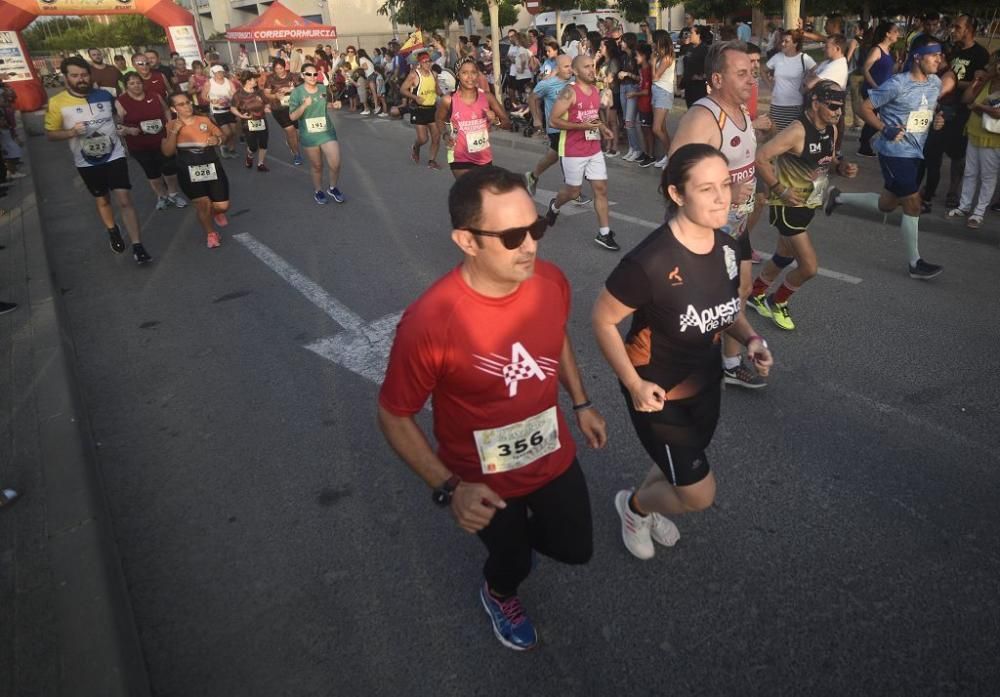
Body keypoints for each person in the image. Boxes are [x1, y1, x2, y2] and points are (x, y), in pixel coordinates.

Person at [378, 166, 607, 651]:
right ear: (466, 241)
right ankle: (499, 591)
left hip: (551, 452)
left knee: (576, 548)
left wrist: (581, 401)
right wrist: (448, 489)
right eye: (511, 235)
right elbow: (394, 414)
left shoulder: (551, 282)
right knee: (514, 562)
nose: (530, 245)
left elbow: (556, 337)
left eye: (536, 227)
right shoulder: (430, 322)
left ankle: (519, 545)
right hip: (483, 478)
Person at [592, 143, 773, 561]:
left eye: (725, 185)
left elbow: (725, 311)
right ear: (677, 194)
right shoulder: (649, 262)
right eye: (706, 188)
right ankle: (635, 509)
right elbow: (602, 321)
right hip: (657, 394)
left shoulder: (729, 247)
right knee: (699, 494)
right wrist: (633, 384)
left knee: (681, 465)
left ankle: (647, 500)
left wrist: (751, 340)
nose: (722, 197)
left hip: (706, 383)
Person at [670, 40, 764, 389]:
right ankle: (678, 367)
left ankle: (730, 363)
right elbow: (675, 174)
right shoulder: (705, 116)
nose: (750, 80)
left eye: (752, 73)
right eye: (741, 74)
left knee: (739, 290)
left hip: (735, 227)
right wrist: (722, 189)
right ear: (717, 78)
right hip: (705, 230)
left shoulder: (741, 112)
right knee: (701, 302)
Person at [826, 34, 947, 280]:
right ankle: (915, 263)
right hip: (894, 151)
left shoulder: (934, 83)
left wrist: (936, 120)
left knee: (888, 204)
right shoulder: (897, 84)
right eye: (934, 55)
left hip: (916, 150)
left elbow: (927, 111)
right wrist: (884, 128)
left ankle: (838, 198)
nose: (939, 59)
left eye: (940, 54)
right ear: (917, 57)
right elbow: (864, 108)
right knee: (912, 202)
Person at [750, 81, 857, 330]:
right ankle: (778, 301)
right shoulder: (797, 130)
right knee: (809, 268)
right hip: (789, 206)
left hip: (809, 203)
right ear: (815, 102)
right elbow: (760, 158)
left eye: (841, 107)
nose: (838, 112)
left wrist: (841, 167)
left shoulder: (831, 129)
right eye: (832, 106)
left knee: (784, 255)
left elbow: (826, 159)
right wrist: (780, 190)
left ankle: (755, 294)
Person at [45, 56, 151, 265]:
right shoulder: (57, 102)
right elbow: (50, 133)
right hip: (87, 161)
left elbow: (116, 118)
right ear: (66, 77)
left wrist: (122, 128)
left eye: (84, 75)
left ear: (90, 75)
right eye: (75, 76)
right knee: (103, 199)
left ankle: (138, 246)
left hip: (114, 155)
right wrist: (70, 133)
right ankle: (113, 230)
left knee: (124, 199)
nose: (80, 79)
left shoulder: (104, 95)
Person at [545, 55, 618, 252]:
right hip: (572, 150)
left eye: (592, 66)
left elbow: (592, 117)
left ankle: (604, 233)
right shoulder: (569, 93)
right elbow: (553, 120)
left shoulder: (595, 90)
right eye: (586, 67)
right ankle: (554, 206)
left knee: (601, 189)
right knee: (573, 192)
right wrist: (580, 126)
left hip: (593, 147)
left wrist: (602, 128)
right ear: (575, 71)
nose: (591, 70)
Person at [919, 15, 991, 212]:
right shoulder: (953, 50)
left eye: (958, 27)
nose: (953, 30)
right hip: (943, 106)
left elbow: (981, 81)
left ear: (969, 30)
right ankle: (929, 188)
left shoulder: (980, 54)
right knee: (934, 149)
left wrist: (952, 83)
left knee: (958, 154)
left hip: (962, 110)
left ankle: (953, 190)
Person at [161, 93, 230, 249]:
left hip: (212, 167)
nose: (187, 106)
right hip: (188, 171)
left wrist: (217, 140)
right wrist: (174, 132)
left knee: (223, 206)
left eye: (188, 102)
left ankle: (217, 212)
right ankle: (211, 234)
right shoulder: (171, 125)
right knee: (202, 204)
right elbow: (167, 152)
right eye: (181, 104)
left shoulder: (204, 120)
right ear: (173, 108)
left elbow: (222, 136)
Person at [115, 72, 187, 210]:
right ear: (126, 86)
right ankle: (162, 196)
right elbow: (118, 124)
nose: (136, 85)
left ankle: (173, 194)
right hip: (139, 145)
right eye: (132, 83)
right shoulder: (121, 101)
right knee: (152, 172)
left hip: (162, 140)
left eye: (138, 82)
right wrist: (128, 130)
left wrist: (169, 126)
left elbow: (166, 110)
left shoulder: (154, 96)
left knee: (169, 169)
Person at [948, 51, 1000, 228]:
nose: (989, 67)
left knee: (988, 175)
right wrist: (979, 81)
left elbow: (997, 113)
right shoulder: (985, 82)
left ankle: (978, 213)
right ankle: (964, 206)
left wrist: (979, 107)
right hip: (974, 131)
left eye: (992, 65)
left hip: (993, 138)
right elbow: (966, 99)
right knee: (970, 171)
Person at [437, 58, 510, 178]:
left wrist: (495, 120)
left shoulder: (487, 97)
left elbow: (507, 124)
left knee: (482, 193)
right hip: (459, 156)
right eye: (464, 73)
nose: (470, 77)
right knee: (468, 192)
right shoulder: (449, 100)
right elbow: (439, 119)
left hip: (483, 157)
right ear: (458, 75)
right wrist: (445, 135)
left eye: (473, 72)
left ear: (478, 74)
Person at [288, 62, 345, 205]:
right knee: (317, 166)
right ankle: (318, 190)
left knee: (336, 163)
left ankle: (332, 187)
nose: (313, 77)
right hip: (309, 134)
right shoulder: (297, 92)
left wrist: (333, 105)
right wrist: (304, 105)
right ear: (302, 75)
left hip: (326, 131)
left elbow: (325, 104)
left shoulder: (322, 88)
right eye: (309, 74)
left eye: (315, 74)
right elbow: (293, 117)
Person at [858, 21, 900, 157]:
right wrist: (875, 86)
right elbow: (865, 69)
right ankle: (864, 145)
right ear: (887, 34)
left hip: (883, 91)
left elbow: (889, 71)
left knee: (878, 117)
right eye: (895, 31)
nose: (898, 34)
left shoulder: (889, 51)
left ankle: (865, 144)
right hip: (873, 90)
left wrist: (899, 64)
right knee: (875, 117)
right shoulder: (877, 49)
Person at [765, 31, 816, 130]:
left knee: (792, 137)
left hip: (794, 106)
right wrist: (770, 85)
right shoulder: (777, 57)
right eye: (782, 41)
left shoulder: (804, 58)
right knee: (776, 136)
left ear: (795, 43)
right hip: (776, 105)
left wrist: (806, 85)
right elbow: (763, 70)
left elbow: (817, 72)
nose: (783, 44)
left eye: (786, 41)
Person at [400, 51, 442, 169]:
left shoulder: (434, 74)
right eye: (425, 62)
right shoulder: (414, 75)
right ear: (420, 63)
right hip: (419, 109)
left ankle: (432, 161)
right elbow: (403, 89)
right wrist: (415, 97)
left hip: (432, 109)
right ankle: (416, 146)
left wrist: (442, 92)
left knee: (436, 137)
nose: (428, 63)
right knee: (423, 139)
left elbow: (437, 90)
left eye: (429, 61)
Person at [263, 58, 303, 165]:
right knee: (290, 131)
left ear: (285, 67)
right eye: (276, 69)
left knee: (298, 134)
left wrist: (291, 89)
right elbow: (266, 93)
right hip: (279, 109)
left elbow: (303, 88)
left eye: (280, 68)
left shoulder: (293, 76)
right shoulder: (271, 78)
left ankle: (290, 142)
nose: (278, 71)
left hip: (294, 107)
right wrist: (275, 95)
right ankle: (296, 154)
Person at [231, 70, 270, 172]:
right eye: (254, 79)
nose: (256, 80)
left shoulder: (258, 92)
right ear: (248, 81)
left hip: (261, 120)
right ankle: (249, 155)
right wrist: (241, 115)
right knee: (253, 147)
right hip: (248, 122)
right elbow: (233, 108)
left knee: (263, 144)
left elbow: (266, 103)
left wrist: (267, 107)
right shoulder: (239, 94)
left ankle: (260, 163)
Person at [651, 30, 676, 169]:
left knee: (656, 128)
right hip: (657, 91)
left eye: (654, 41)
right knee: (662, 127)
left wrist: (653, 62)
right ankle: (668, 155)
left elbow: (655, 77)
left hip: (664, 92)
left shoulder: (666, 58)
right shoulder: (661, 56)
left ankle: (672, 155)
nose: (652, 43)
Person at [202, 65, 239, 158]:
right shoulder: (209, 83)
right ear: (213, 73)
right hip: (217, 111)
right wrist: (211, 101)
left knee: (234, 131)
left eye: (221, 72)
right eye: (218, 72)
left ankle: (231, 149)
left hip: (229, 109)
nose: (220, 74)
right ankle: (223, 145)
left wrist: (231, 97)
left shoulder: (228, 81)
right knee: (227, 132)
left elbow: (234, 93)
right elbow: (203, 96)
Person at [681, 26, 709, 107]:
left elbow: (710, 67)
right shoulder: (689, 48)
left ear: (698, 34)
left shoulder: (704, 49)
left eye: (692, 33)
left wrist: (701, 76)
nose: (689, 35)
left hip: (698, 87)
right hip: (688, 86)